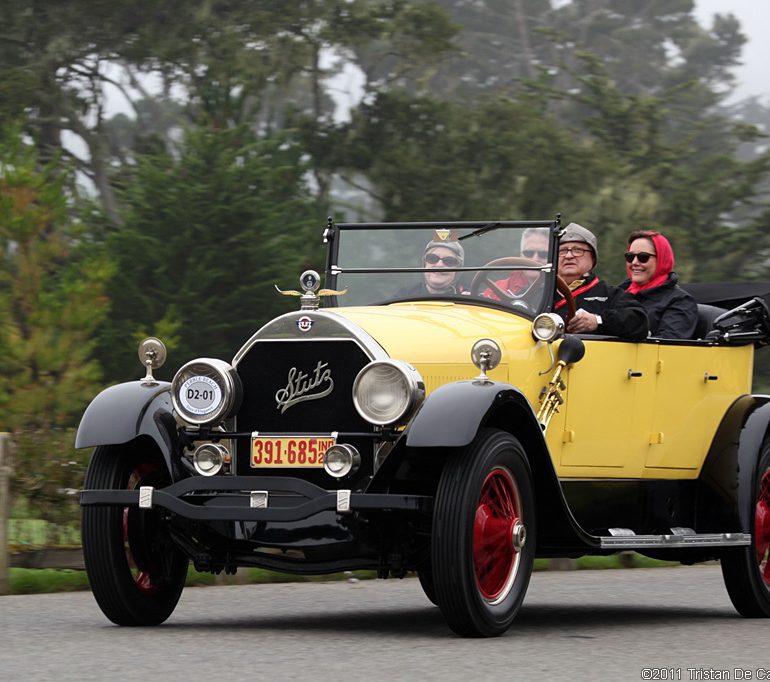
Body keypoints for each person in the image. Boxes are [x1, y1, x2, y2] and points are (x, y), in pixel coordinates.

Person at [554, 222, 648, 340]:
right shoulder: (539, 293)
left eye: (577, 250)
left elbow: (639, 321)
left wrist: (598, 321)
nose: (569, 256)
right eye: (562, 251)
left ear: (593, 259)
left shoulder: (609, 295)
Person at [618, 230, 697, 339]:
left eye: (643, 257)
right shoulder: (617, 294)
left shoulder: (680, 301)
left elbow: (668, 347)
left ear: (662, 259)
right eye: (630, 257)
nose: (634, 262)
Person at [484, 227, 551, 297]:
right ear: (521, 256)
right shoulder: (496, 289)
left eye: (543, 254)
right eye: (529, 253)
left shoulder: (560, 290)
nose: (535, 259)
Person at [396, 230, 465, 297]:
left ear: (457, 270)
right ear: (424, 264)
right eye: (432, 258)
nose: (439, 264)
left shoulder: (469, 299)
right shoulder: (404, 296)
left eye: (449, 261)